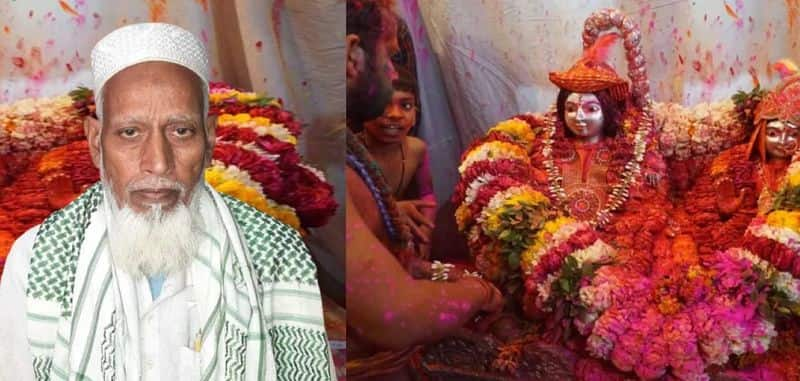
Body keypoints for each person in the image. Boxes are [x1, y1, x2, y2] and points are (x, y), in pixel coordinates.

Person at [0, 23, 333, 380]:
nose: (157, 162)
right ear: (96, 142)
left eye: (181, 131)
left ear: (208, 139)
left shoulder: (274, 253)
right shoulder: (37, 258)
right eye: (130, 133)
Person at [345, 1, 502, 379]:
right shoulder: (324, 153)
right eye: (389, 56)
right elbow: (396, 315)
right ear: (352, 55)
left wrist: (422, 263)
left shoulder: (342, 143)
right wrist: (481, 293)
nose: (391, 70)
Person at [359, 67, 436, 255]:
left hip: (397, 240)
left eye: (406, 106)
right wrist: (391, 211)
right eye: (383, 104)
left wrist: (425, 233)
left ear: (416, 115)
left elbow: (427, 195)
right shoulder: (350, 155)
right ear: (359, 111)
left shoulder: (417, 149)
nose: (395, 114)